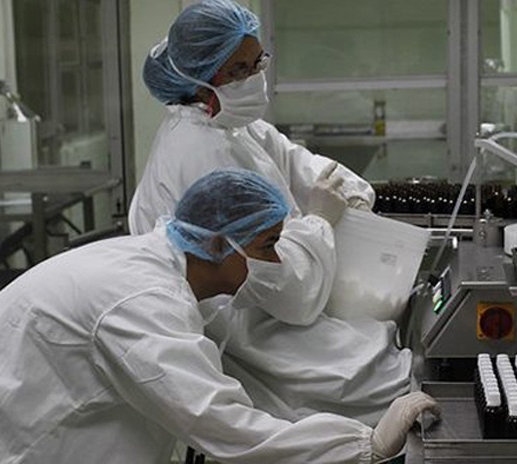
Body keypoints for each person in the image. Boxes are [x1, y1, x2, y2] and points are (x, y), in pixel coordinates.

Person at [0, 169, 439, 464]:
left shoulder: (161, 269)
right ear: (216, 245)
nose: (275, 262)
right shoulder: (142, 304)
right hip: (8, 444)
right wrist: (364, 445)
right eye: (268, 246)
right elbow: (218, 421)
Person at [132, 0, 412, 425]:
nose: (254, 78)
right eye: (238, 70)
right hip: (248, 331)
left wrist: (348, 193)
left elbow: (296, 162)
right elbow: (289, 292)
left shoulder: (229, 125)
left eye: (257, 62)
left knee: (388, 340)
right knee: (388, 376)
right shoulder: (201, 152)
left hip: (277, 306)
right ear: (200, 80)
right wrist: (319, 220)